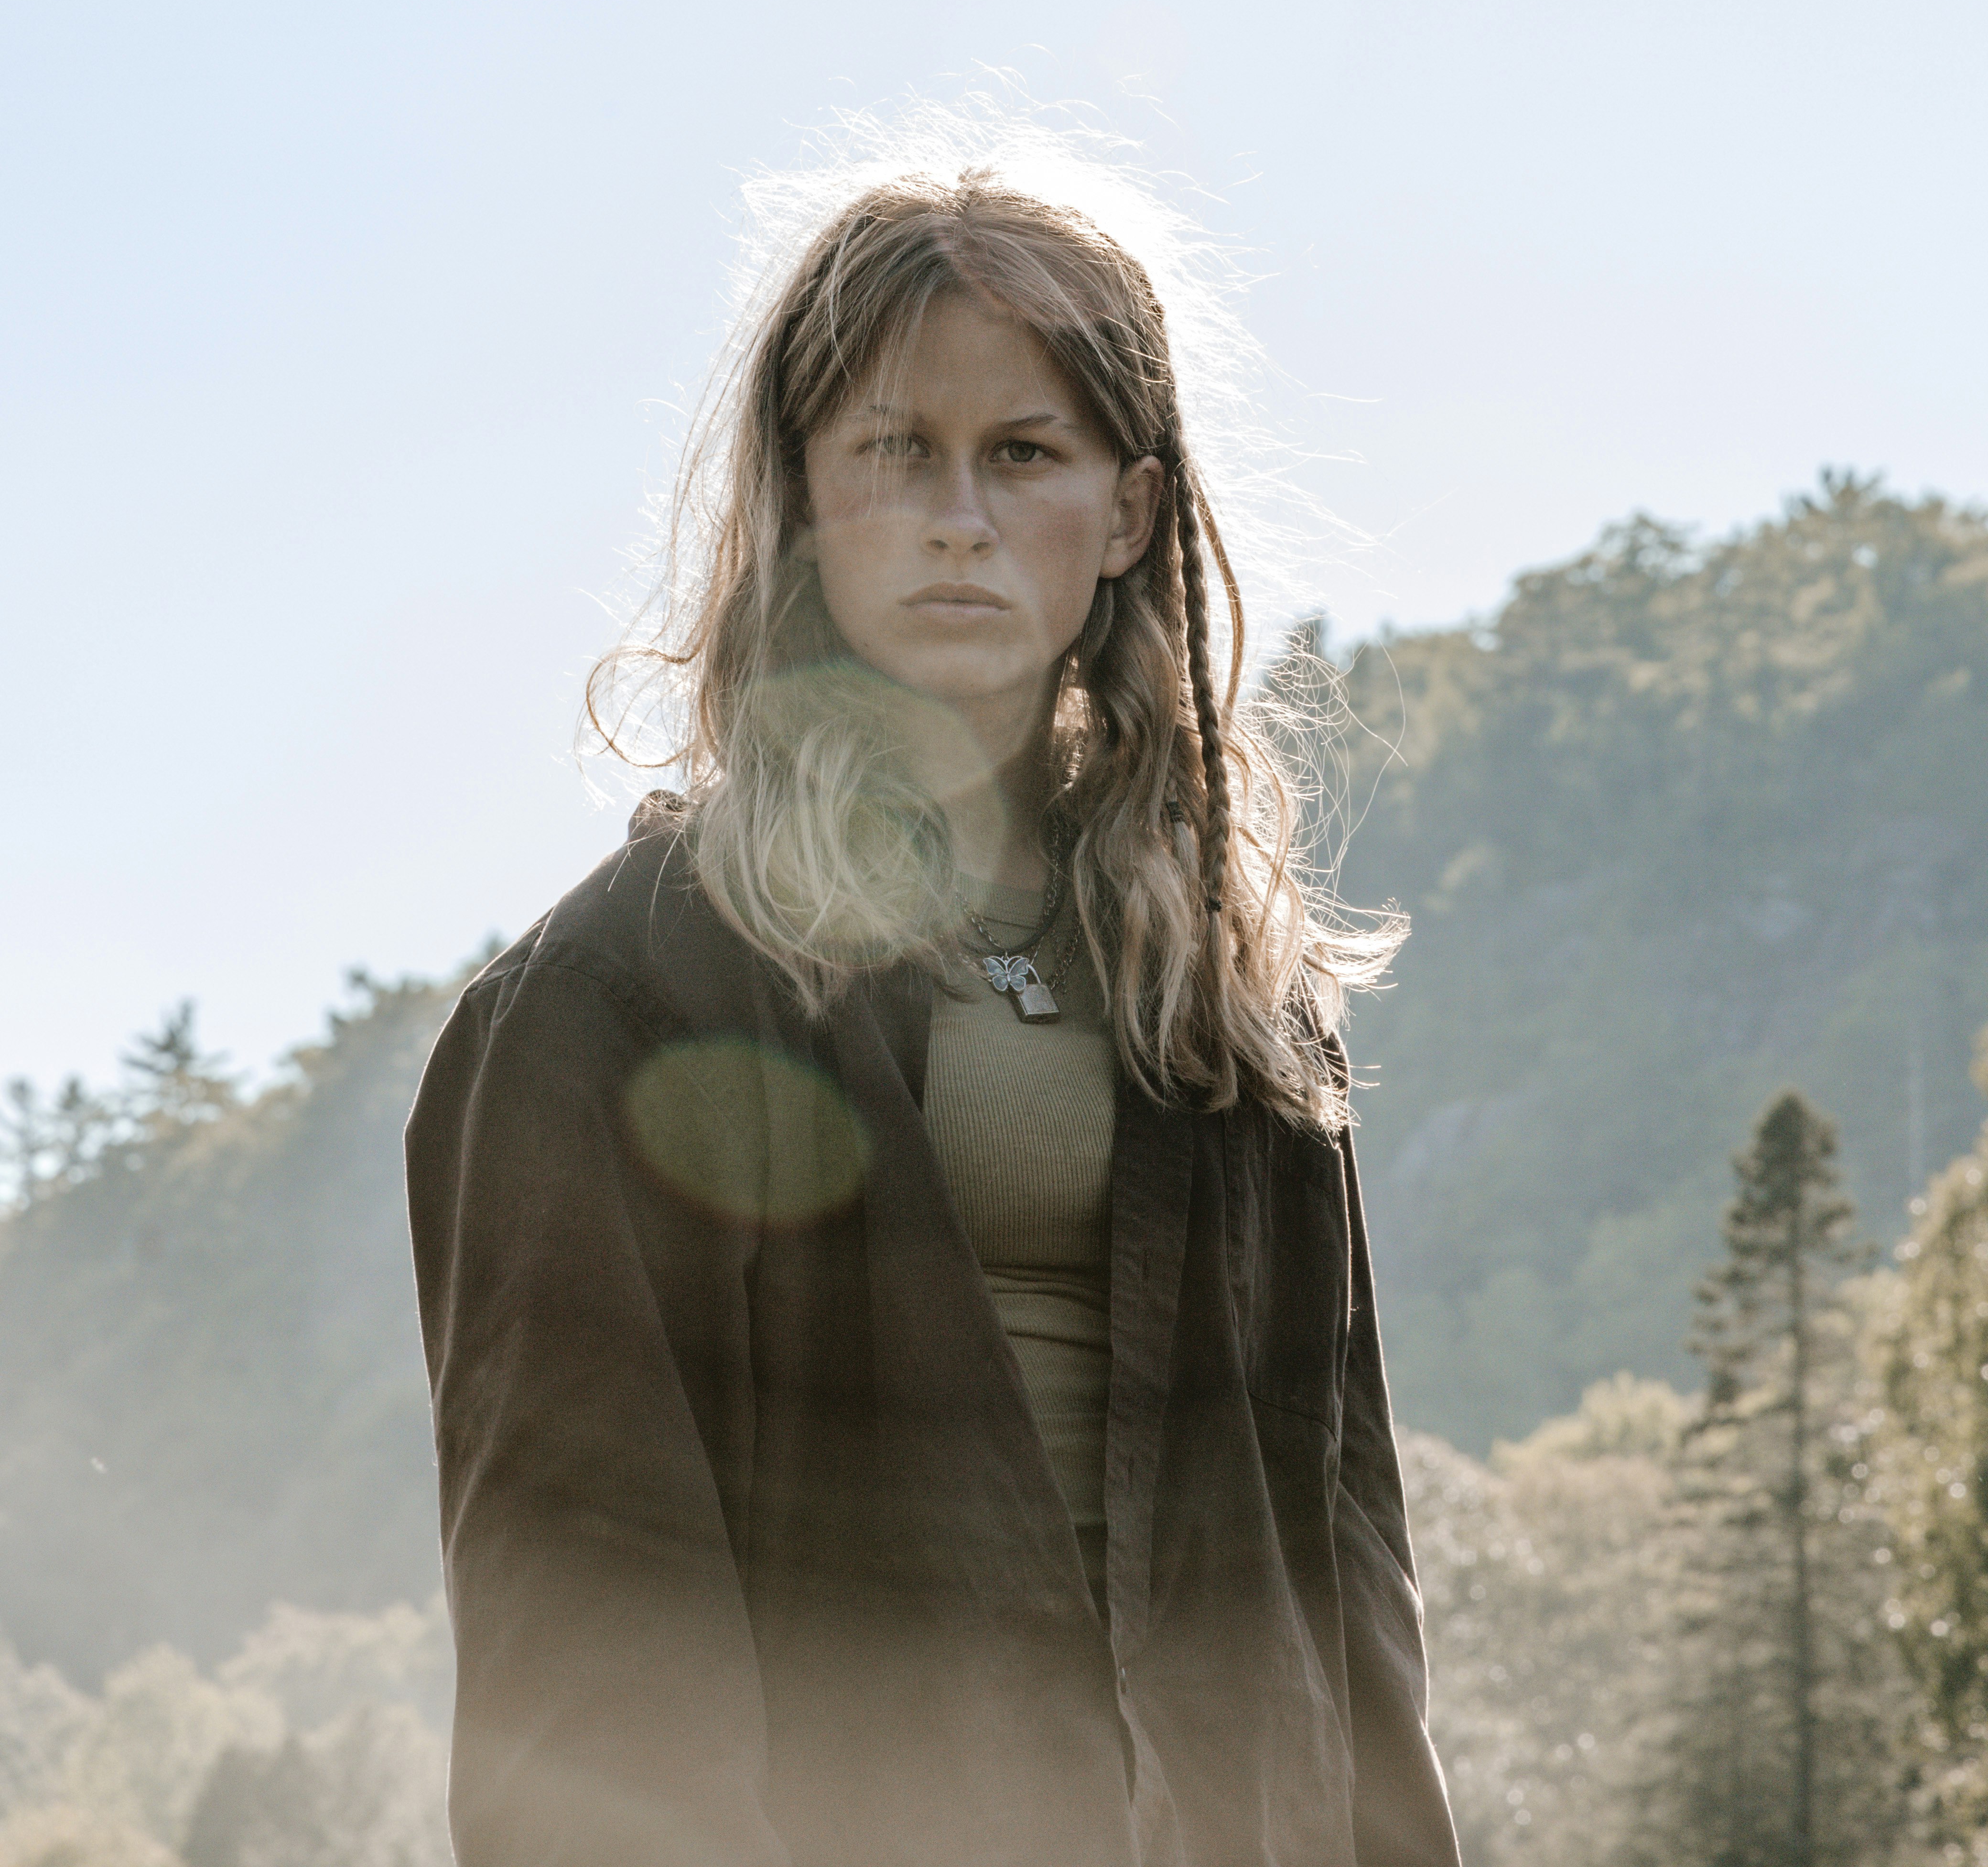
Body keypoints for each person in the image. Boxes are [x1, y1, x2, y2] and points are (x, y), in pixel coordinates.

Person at [405, 149, 1459, 1867]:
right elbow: (580, 1662)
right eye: (896, 449)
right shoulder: (612, 1002)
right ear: (805, 497)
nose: (957, 513)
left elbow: (1353, 1573)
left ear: (1126, 513)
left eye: (1023, 454)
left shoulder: (1231, 996)